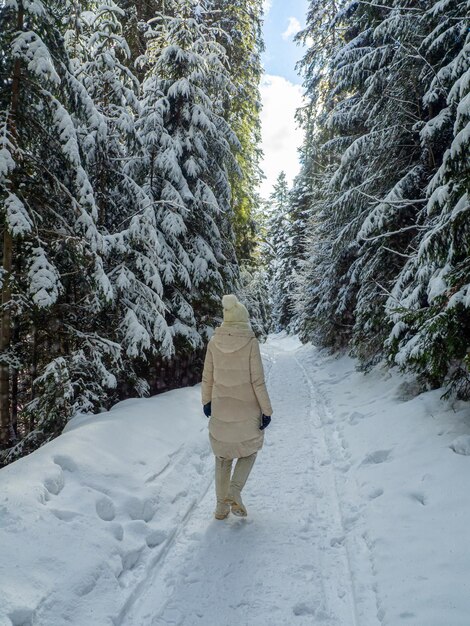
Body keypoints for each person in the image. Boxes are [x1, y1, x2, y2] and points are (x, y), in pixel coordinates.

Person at [201, 294, 273, 520]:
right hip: (247, 412)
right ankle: (234, 492)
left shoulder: (214, 342)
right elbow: (257, 381)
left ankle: (221, 508)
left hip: (221, 410)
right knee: (249, 451)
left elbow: (207, 377)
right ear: (243, 318)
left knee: (222, 458)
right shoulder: (250, 343)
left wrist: (206, 403)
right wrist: (267, 411)